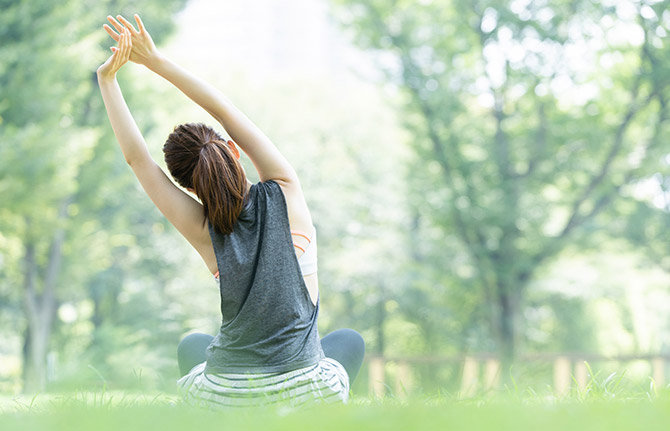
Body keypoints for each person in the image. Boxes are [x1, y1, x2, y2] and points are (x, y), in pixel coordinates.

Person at [97, 14, 365, 408]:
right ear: (234, 152)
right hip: (309, 393)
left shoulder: (203, 229)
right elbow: (225, 112)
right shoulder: (285, 191)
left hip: (224, 399)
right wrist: (155, 61)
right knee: (348, 342)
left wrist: (107, 80)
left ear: (189, 187)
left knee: (194, 345)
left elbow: (139, 160)